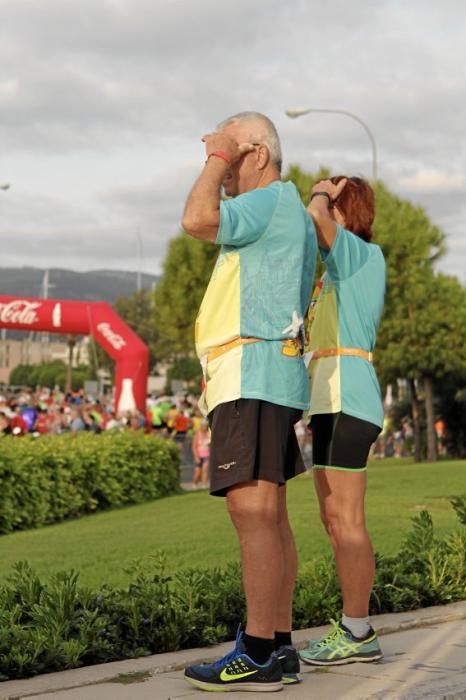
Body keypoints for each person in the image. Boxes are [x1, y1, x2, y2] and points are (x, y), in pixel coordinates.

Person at [181, 111, 317, 693]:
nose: (225, 167)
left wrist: (214, 156)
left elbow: (196, 218)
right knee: (271, 513)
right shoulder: (287, 211)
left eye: (233, 156)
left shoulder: (268, 202)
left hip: (252, 372)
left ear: (257, 154)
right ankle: (279, 645)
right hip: (267, 373)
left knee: (253, 512)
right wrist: (223, 153)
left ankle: (259, 650)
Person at [299, 176, 386, 667]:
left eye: (334, 202)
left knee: (348, 520)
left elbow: (315, 219)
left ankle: (358, 631)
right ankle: (351, 625)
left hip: (349, 397)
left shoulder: (358, 254)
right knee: (333, 520)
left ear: (345, 210)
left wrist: (319, 191)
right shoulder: (336, 268)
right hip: (326, 400)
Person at [191, 418, 210, 489]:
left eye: (205, 426)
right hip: (199, 455)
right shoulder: (197, 434)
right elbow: (194, 446)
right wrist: (196, 457)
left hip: (207, 455)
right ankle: (194, 483)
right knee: (197, 472)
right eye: (203, 426)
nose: (204, 427)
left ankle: (204, 484)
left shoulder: (209, 434)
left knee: (205, 469)